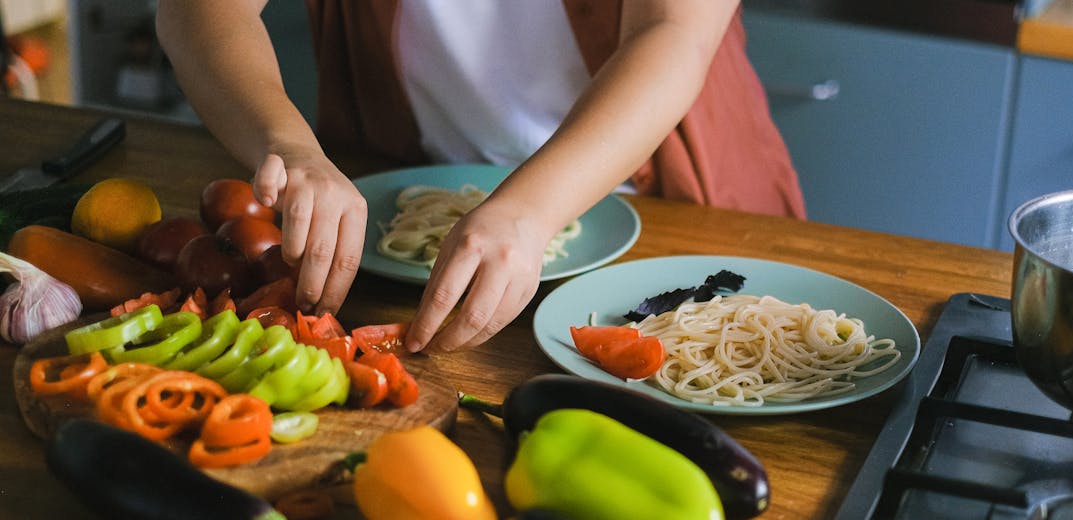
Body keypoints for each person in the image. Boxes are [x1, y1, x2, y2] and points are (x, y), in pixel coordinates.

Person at [156, 1, 804, 353]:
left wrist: (528, 211)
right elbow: (199, 11)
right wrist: (291, 145)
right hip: (401, 222)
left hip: (667, 205)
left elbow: (672, 33)